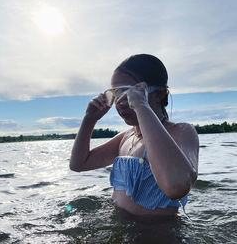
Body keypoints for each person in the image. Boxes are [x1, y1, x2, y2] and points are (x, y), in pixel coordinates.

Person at [70, 54, 199, 216]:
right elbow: (78, 164)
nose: (120, 102)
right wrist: (89, 120)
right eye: (115, 94)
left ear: (160, 94)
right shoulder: (125, 138)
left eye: (129, 93)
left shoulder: (181, 132)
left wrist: (140, 105)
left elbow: (176, 186)